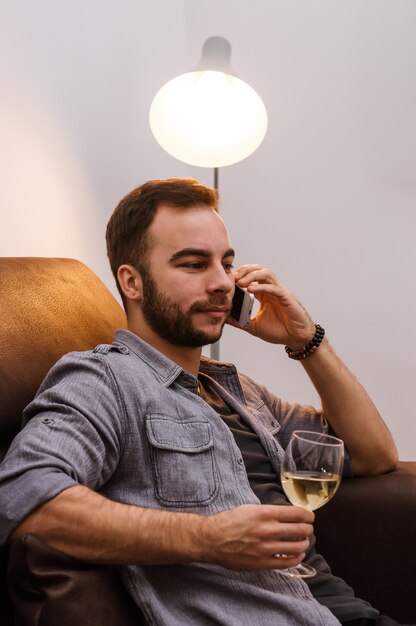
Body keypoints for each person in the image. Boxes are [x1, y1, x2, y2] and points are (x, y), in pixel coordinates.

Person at [0, 179, 403, 625]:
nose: (221, 283)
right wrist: (210, 537)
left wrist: (307, 341)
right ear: (132, 282)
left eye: (226, 264)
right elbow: (24, 496)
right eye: (193, 265)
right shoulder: (103, 380)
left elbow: (372, 455)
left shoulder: (238, 389)